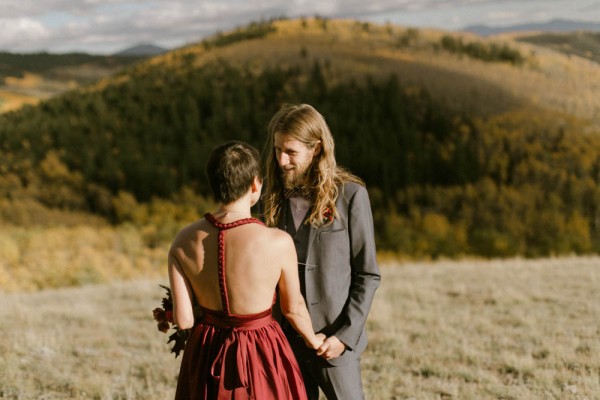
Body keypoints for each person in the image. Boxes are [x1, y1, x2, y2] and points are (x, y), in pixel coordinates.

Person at [168, 141, 324, 400]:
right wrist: (313, 340)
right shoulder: (277, 241)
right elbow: (292, 308)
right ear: (255, 184)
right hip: (261, 351)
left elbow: (184, 320)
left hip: (207, 351)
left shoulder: (182, 240)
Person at [262, 103, 381, 400]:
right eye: (277, 150)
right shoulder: (268, 197)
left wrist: (344, 337)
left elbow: (367, 274)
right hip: (284, 342)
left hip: (334, 343)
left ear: (315, 149)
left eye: (291, 152)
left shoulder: (352, 195)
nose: (281, 160)